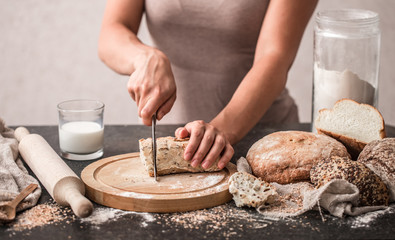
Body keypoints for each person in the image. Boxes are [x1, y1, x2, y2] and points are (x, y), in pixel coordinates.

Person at [98, 0, 318, 170]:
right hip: (169, 142)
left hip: (262, 146)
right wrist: (144, 57)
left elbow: (275, 57)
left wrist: (221, 132)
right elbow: (112, 32)